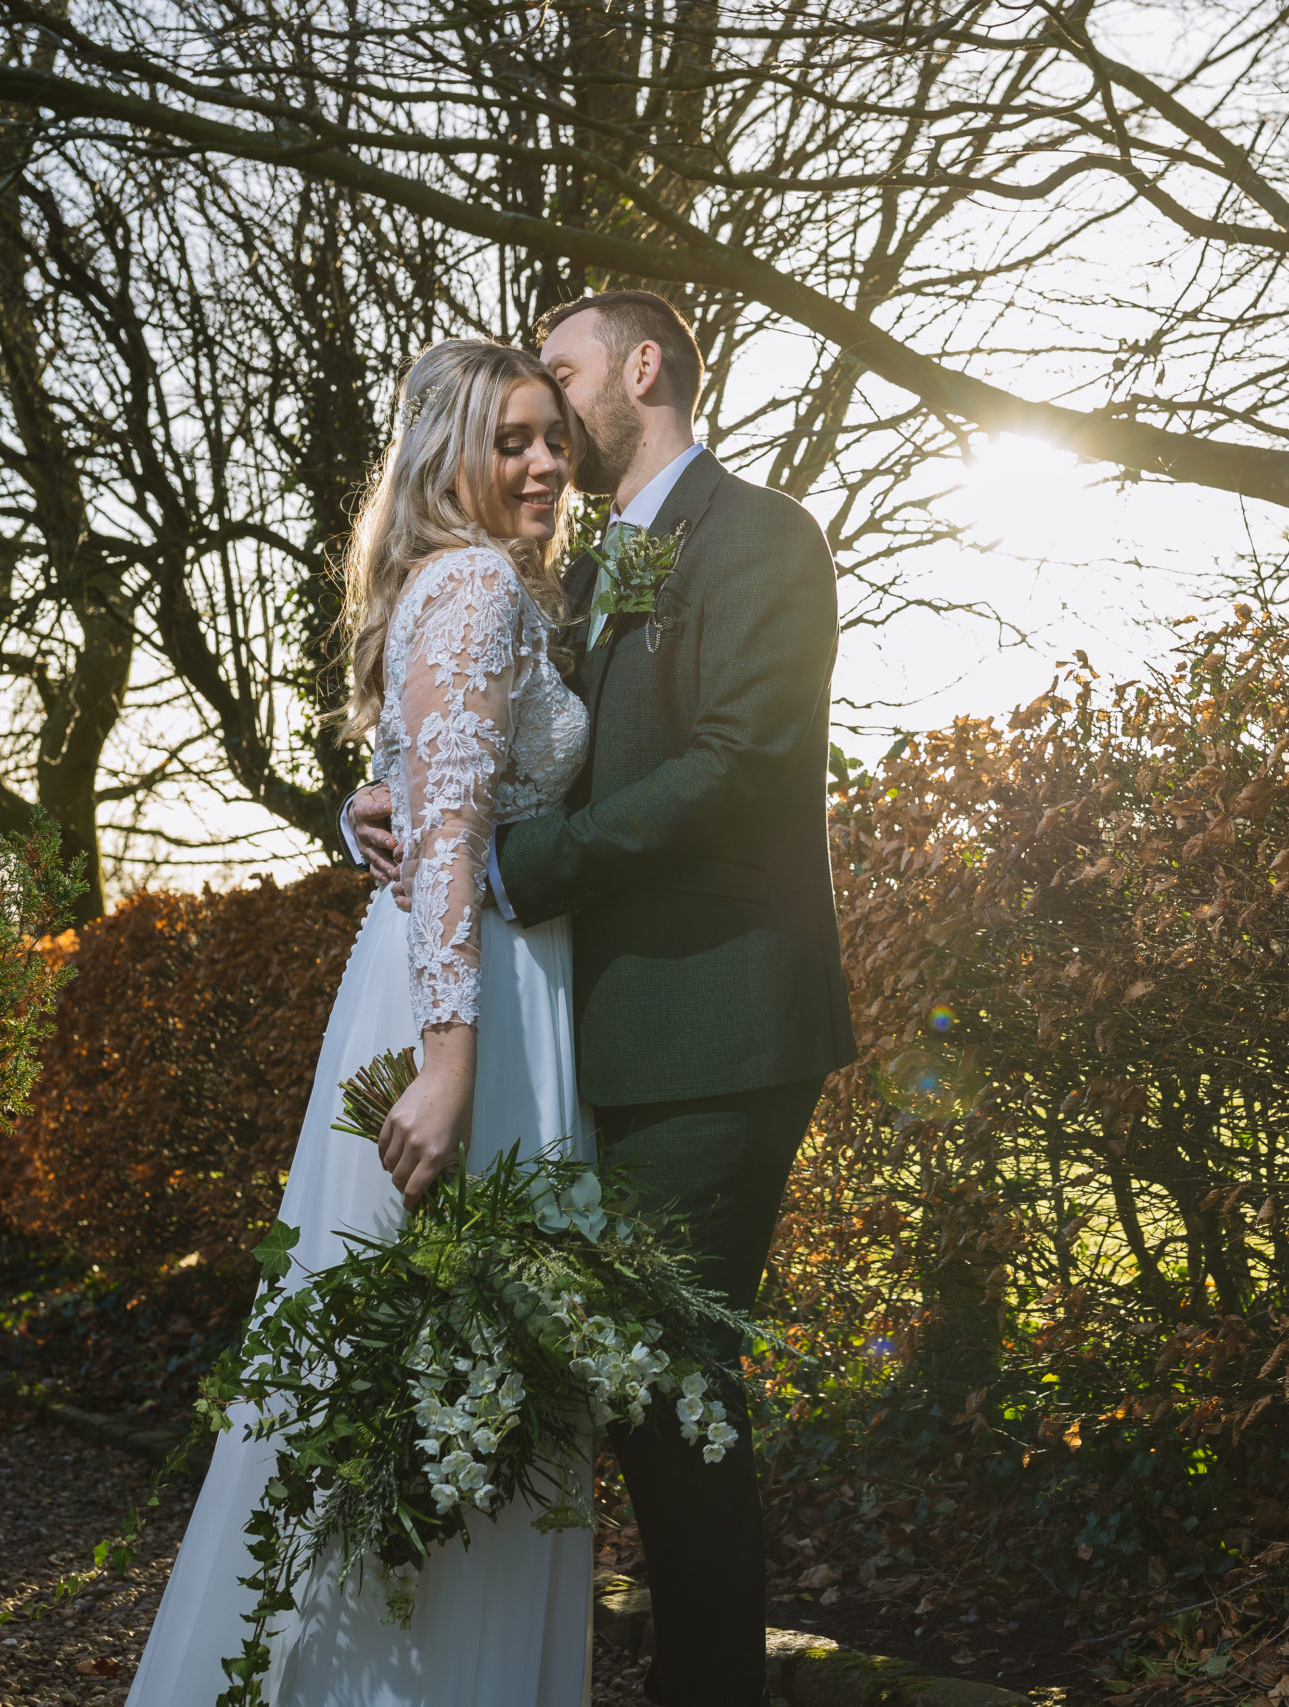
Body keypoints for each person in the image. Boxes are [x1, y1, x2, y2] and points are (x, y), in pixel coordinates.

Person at [345, 289, 856, 1705]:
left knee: (664, 1390)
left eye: (564, 376)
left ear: (644, 368)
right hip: (593, 1040)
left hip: (715, 1033)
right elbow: (478, 740)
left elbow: (738, 762)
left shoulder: (760, 537)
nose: (555, 419)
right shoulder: (573, 570)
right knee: (616, 1396)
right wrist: (376, 807)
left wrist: (521, 864)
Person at [129, 338, 598, 1706]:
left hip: (463, 976)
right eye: (513, 440)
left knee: (446, 1384)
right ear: (451, 452)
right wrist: (452, 1065)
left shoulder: (460, 588)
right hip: (476, 1007)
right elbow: (446, 836)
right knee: (443, 1380)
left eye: (555, 439)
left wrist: (361, 819)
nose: (546, 465)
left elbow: (416, 798)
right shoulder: (471, 586)